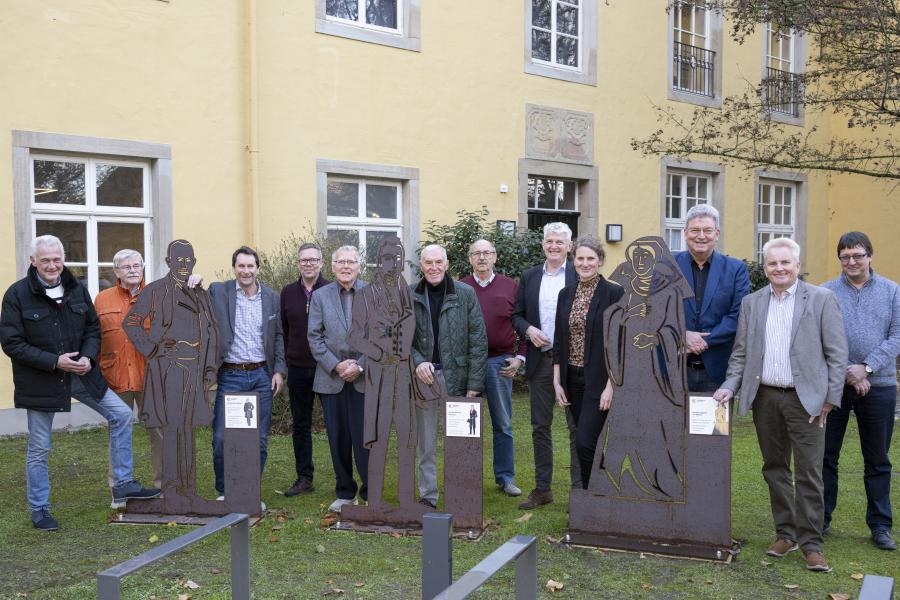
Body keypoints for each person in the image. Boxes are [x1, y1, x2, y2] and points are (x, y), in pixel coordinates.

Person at [0, 235, 159, 531]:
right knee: (39, 446)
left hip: (81, 374)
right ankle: (40, 508)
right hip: (41, 380)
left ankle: (123, 484)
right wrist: (54, 361)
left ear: (63, 261)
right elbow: (12, 343)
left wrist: (87, 357)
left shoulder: (77, 290)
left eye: (56, 259)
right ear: (33, 261)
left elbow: (91, 329)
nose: (51, 265)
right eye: (45, 260)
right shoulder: (17, 294)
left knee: (122, 414)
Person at [714, 238, 848, 573]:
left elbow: (837, 353)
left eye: (785, 263)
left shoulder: (821, 299)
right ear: (765, 267)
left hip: (809, 401)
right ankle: (786, 534)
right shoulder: (752, 303)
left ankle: (812, 544)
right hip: (766, 397)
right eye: (772, 263)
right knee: (774, 468)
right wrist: (730, 386)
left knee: (809, 472)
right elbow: (741, 354)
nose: (779, 268)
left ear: (797, 265)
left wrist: (830, 399)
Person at [594, 237, 692, 501]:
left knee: (654, 422)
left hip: (656, 372)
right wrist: (622, 317)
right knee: (623, 423)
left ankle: (660, 481)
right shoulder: (628, 291)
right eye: (635, 257)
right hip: (628, 371)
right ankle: (617, 481)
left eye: (645, 257)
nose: (640, 262)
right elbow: (613, 321)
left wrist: (655, 338)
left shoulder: (669, 292)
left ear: (656, 260)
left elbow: (674, 330)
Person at [122, 240, 218, 509]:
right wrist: (152, 348)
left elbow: (211, 330)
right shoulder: (155, 291)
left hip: (194, 371)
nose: (184, 265)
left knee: (186, 431)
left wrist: (210, 368)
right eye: (178, 260)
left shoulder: (200, 293)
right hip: (168, 371)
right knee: (172, 429)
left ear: (194, 262)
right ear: (168, 262)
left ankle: (187, 490)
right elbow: (130, 322)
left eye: (188, 260)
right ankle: (172, 491)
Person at [822, 231, 899, 551]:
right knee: (826, 456)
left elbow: (897, 337)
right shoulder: (825, 292)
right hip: (835, 387)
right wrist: (848, 373)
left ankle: (880, 525)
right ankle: (820, 519)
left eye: (857, 255)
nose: (851, 262)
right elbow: (820, 338)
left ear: (870, 255)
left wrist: (866, 368)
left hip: (879, 385)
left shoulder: (892, 291)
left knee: (877, 459)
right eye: (845, 256)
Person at [411, 244, 487, 509]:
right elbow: (399, 340)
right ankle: (428, 496)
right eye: (428, 263)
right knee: (426, 442)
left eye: (438, 262)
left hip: (458, 377)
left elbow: (478, 340)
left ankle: (462, 495)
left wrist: (474, 384)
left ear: (446, 264)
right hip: (424, 380)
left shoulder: (465, 294)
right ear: (421, 266)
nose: (433, 267)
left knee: (463, 442)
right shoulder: (410, 295)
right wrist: (418, 362)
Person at [347, 237, 419, 513]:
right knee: (377, 438)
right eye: (389, 258)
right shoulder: (365, 295)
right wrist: (377, 355)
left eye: (398, 258)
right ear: (380, 260)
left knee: (406, 436)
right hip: (379, 376)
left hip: (404, 374)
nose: (394, 263)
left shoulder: (407, 293)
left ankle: (407, 500)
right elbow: (353, 335)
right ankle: (375, 500)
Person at [209, 246, 286, 499]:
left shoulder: (272, 297)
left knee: (259, 440)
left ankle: (247, 490)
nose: (245, 271)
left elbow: (278, 336)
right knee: (222, 438)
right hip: (230, 375)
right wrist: (191, 281)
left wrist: (279, 371)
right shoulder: (219, 291)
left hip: (262, 376)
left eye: (250, 266)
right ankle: (225, 490)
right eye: (241, 266)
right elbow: (193, 300)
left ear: (258, 268)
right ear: (234, 268)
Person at [511, 222, 578, 509]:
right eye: (549, 241)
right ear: (542, 244)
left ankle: (580, 488)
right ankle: (542, 489)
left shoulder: (580, 273)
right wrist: (528, 331)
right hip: (541, 362)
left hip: (574, 364)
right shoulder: (529, 276)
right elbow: (517, 315)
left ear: (569, 246)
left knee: (577, 428)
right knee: (540, 426)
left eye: (559, 242)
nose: (553, 246)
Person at [551, 236, 624, 489]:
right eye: (580, 258)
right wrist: (557, 381)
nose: (585, 263)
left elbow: (619, 343)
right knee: (584, 441)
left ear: (600, 261)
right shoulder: (565, 294)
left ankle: (592, 493)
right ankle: (595, 495)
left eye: (590, 258)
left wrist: (611, 386)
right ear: (573, 261)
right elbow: (559, 338)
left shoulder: (614, 293)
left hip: (600, 380)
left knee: (585, 440)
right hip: (571, 379)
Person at [460, 239, 525, 497]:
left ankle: (505, 477)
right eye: (476, 253)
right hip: (468, 364)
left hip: (499, 363)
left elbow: (523, 323)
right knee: (466, 424)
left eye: (487, 253)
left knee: (503, 424)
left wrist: (520, 356)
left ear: (495, 257)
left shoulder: (511, 287)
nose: (482, 257)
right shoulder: (460, 287)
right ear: (470, 258)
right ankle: (465, 477)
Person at [307, 245, 368, 513]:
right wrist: (336, 365)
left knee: (366, 437)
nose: (346, 266)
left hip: (364, 378)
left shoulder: (373, 294)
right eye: (340, 262)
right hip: (331, 378)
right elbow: (314, 336)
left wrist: (360, 365)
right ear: (331, 267)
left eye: (351, 262)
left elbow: (382, 335)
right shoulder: (320, 296)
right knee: (338, 437)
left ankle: (370, 491)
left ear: (359, 266)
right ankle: (345, 491)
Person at [673, 205, 750, 392]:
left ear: (717, 233)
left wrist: (703, 341)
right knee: (672, 422)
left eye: (707, 230)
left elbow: (737, 315)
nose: (701, 236)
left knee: (717, 423)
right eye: (695, 230)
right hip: (673, 367)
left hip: (717, 371)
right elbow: (655, 310)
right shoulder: (667, 266)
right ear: (685, 233)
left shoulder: (736, 269)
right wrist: (682, 334)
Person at [280, 242, 330, 497]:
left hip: (328, 368)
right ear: (298, 263)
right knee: (301, 426)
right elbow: (284, 331)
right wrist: (287, 362)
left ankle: (343, 480)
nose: (308, 264)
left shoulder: (332, 289)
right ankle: (304, 477)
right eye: (304, 260)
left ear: (321, 262)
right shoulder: (288, 292)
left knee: (336, 425)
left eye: (313, 260)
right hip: (298, 368)